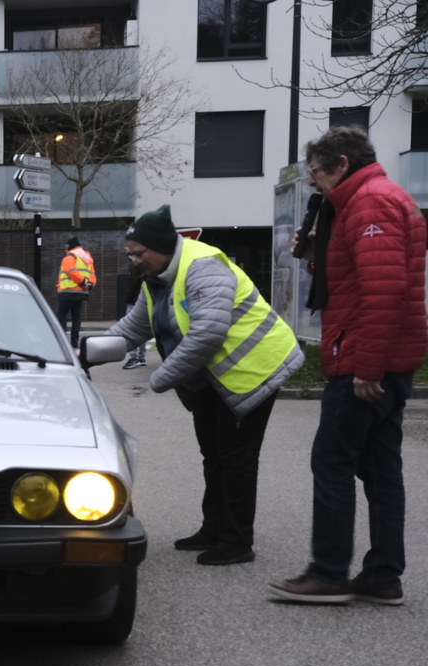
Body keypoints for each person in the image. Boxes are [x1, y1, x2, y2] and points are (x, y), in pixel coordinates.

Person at [269, 127, 428, 605]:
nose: (312, 181)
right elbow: (361, 279)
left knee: (332, 460)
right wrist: (317, 254)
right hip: (380, 355)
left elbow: (385, 291)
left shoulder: (370, 203)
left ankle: (329, 573)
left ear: (341, 164)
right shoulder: (372, 200)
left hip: (364, 357)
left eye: (316, 171)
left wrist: (368, 368)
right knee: (380, 469)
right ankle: (382, 577)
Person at [105, 204, 303, 566]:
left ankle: (237, 541)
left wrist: (158, 380)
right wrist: (82, 352)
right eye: (130, 255)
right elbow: (134, 328)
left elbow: (206, 335)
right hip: (211, 378)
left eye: (138, 254)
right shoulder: (157, 278)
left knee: (236, 459)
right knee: (213, 454)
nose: (133, 261)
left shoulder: (203, 267)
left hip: (251, 370)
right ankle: (213, 528)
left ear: (160, 247)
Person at [56, 236, 96, 350]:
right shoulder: (87, 257)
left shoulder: (70, 256)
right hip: (81, 292)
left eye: (66, 245)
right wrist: (89, 284)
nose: (65, 248)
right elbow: (92, 274)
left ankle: (62, 341)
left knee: (62, 315)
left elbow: (71, 272)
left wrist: (82, 282)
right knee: (76, 316)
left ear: (70, 245)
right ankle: (74, 341)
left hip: (67, 291)